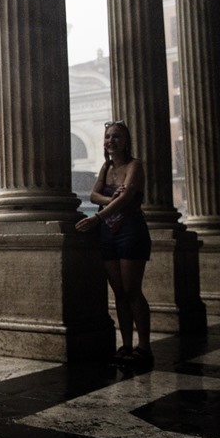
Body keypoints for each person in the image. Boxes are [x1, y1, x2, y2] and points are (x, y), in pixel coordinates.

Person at [75, 120, 153, 368]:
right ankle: (126, 344)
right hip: (109, 233)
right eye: (108, 137)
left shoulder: (135, 166)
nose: (111, 141)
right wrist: (111, 198)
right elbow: (93, 195)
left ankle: (144, 346)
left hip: (131, 231)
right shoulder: (106, 168)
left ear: (126, 141)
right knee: (118, 291)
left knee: (132, 290)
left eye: (116, 137)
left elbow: (128, 196)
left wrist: (98, 216)